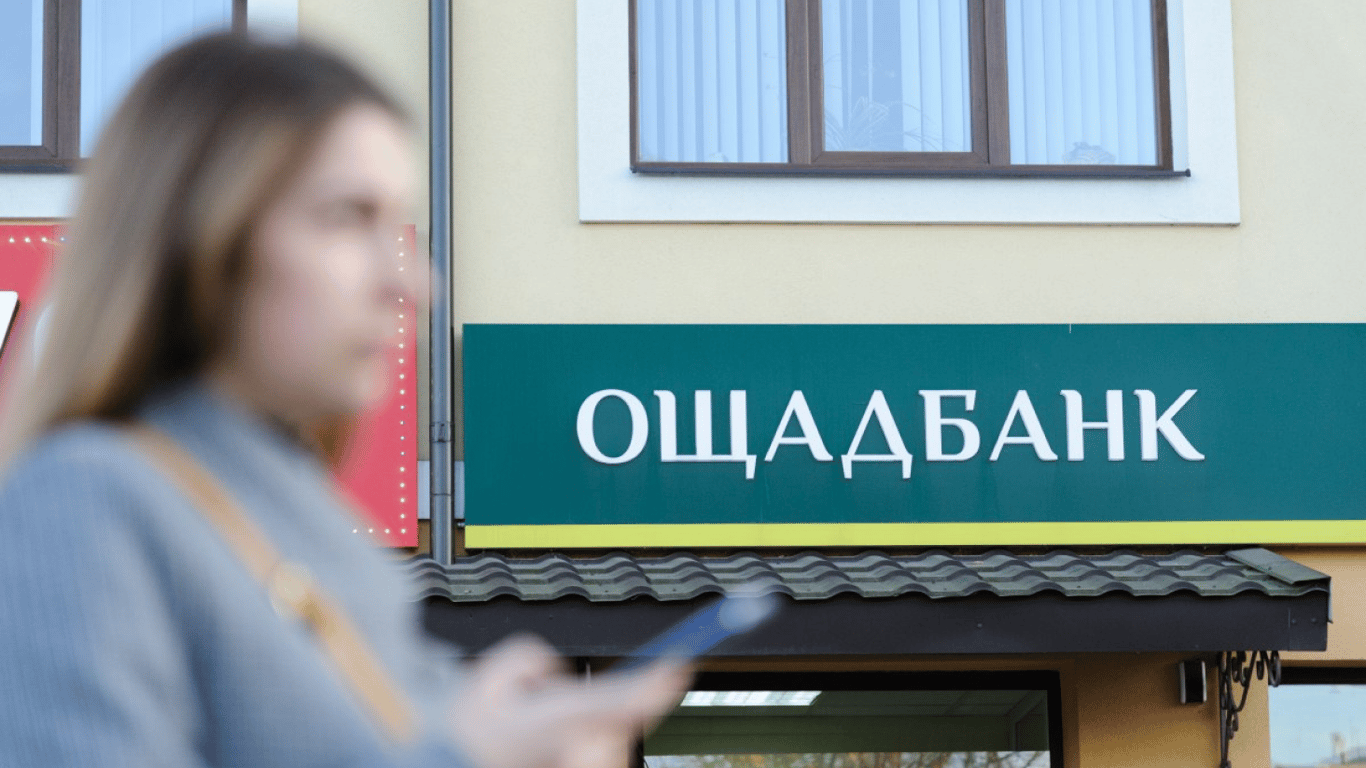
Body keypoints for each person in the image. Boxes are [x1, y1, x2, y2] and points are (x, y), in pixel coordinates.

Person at [0, 32, 688, 768]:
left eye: (394, 224)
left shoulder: (313, 527)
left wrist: (490, 732)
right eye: (347, 217)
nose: (412, 284)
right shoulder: (84, 501)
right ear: (198, 232)